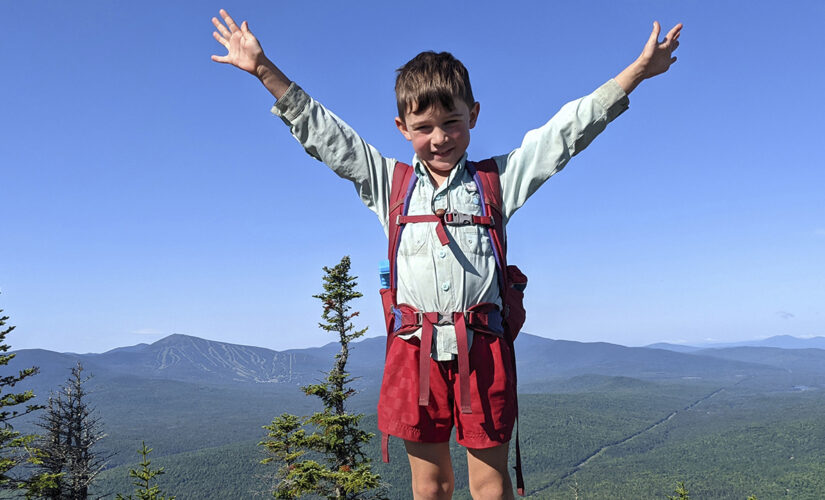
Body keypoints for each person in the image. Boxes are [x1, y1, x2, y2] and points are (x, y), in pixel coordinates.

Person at [211, 9, 681, 499]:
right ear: (402, 126)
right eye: (424, 126)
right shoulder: (389, 184)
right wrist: (265, 70)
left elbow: (564, 135)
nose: (439, 137)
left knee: (489, 484)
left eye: (452, 122)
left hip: (482, 349)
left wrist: (636, 74)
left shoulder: (496, 182)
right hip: (416, 351)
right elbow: (329, 138)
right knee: (430, 486)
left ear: (473, 116)